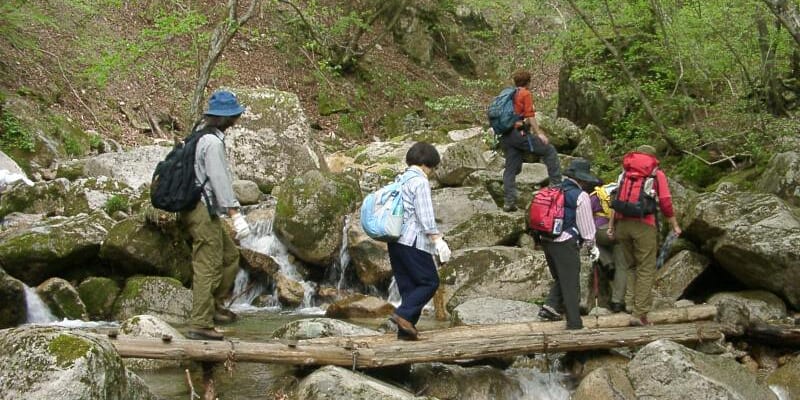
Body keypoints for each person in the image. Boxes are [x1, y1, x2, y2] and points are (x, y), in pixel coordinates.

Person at [182, 90, 251, 340]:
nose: (238, 117)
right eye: (236, 113)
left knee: (230, 255)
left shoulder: (201, 135)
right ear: (227, 117)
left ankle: (215, 307)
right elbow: (219, 180)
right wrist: (235, 214)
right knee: (207, 264)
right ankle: (200, 323)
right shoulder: (211, 143)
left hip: (199, 207)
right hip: (200, 209)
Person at [607, 145, 681, 326]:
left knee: (631, 266)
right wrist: (674, 224)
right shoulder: (656, 174)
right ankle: (639, 314)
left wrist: (611, 226)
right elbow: (665, 202)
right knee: (646, 268)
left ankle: (631, 305)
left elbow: (615, 201)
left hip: (623, 224)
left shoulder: (625, 173)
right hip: (644, 225)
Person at [387, 142, 451, 341]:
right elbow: (424, 215)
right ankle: (403, 315)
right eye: (433, 167)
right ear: (427, 164)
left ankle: (405, 332)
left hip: (395, 239)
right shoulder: (420, 181)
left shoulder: (400, 179)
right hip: (413, 241)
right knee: (429, 282)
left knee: (409, 287)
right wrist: (437, 239)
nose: (432, 172)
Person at [536, 158, 598, 330]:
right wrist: (592, 246)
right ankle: (574, 323)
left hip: (547, 240)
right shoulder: (581, 196)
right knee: (571, 282)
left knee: (560, 277)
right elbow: (587, 228)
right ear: (582, 179)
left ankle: (551, 307)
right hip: (565, 241)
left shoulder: (554, 188)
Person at [500, 70, 562, 212]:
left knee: (511, 169)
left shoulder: (508, 94)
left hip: (506, 135)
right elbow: (530, 115)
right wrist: (539, 134)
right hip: (519, 134)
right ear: (528, 82)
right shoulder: (525, 94)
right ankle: (557, 184)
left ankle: (509, 202)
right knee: (549, 150)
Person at [589, 181, 629, 313]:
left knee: (590, 239)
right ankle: (617, 302)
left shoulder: (596, 195)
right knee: (622, 266)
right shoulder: (623, 192)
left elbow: (585, 219)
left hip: (600, 230)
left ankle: (607, 262)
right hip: (619, 231)